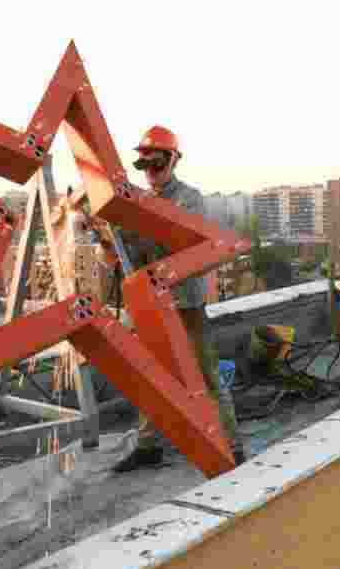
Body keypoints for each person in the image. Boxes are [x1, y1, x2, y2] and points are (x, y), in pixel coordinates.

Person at [96, 125, 244, 472]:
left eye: (156, 163)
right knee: (151, 377)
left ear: (173, 160)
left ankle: (232, 446)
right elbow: (128, 255)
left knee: (206, 377)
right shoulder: (136, 202)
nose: (149, 171)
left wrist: (132, 223)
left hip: (184, 302)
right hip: (149, 304)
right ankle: (149, 446)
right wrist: (108, 236)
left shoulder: (188, 199)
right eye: (144, 165)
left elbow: (179, 243)